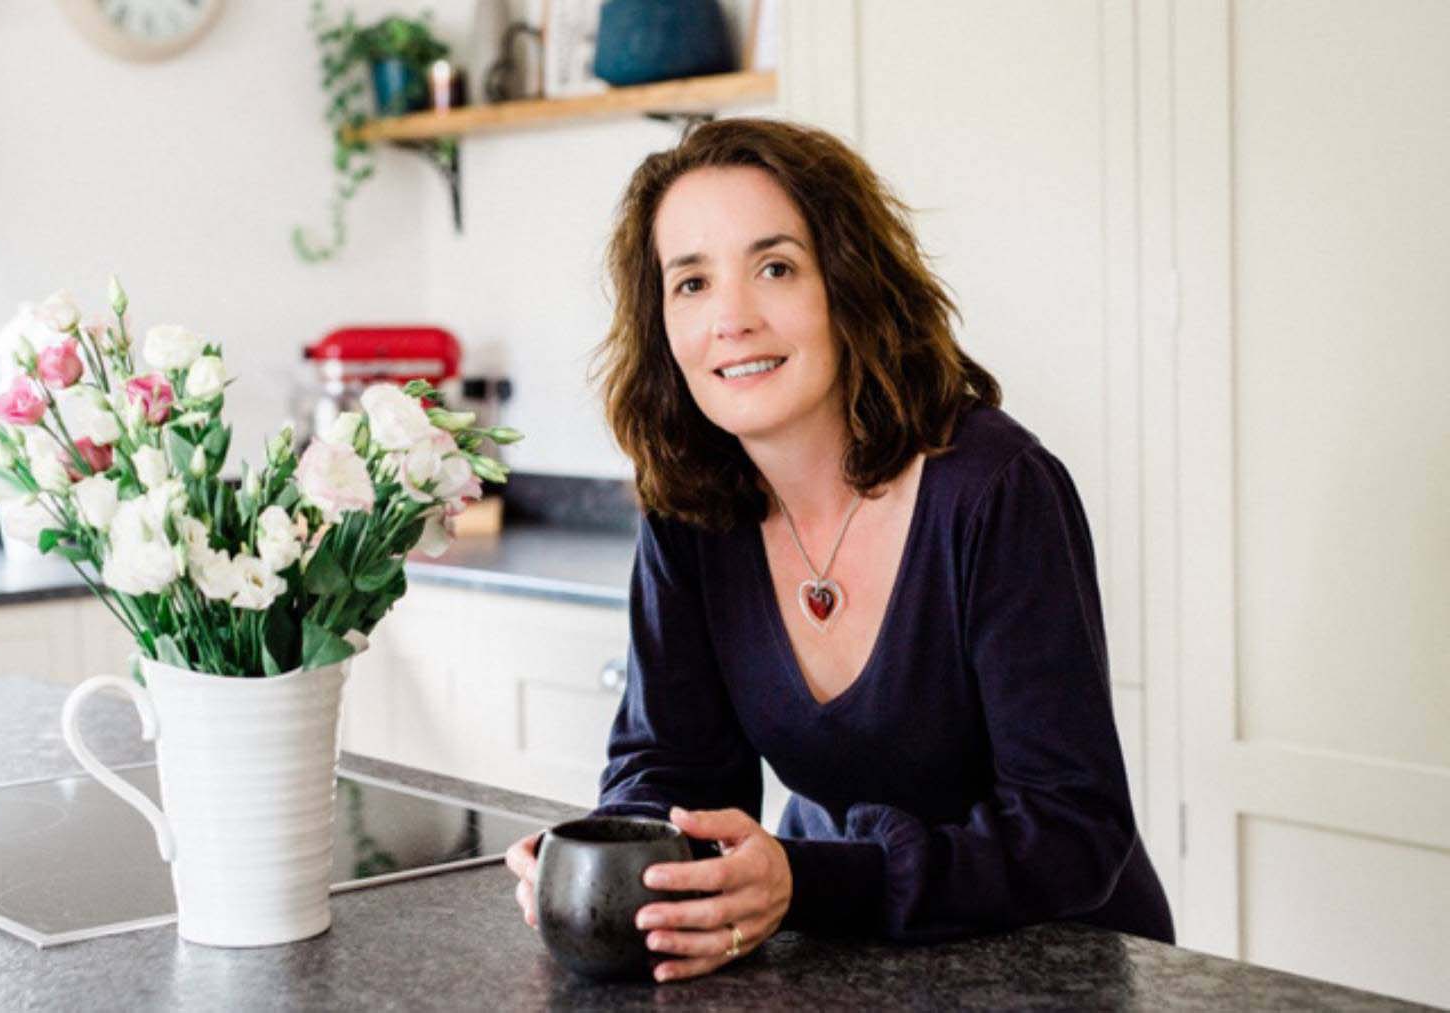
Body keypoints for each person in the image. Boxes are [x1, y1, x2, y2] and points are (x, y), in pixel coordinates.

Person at [503, 117, 1173, 983]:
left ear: (849, 284)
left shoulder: (996, 491)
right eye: (692, 283)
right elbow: (672, 763)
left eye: (774, 267)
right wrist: (615, 859)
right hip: (837, 946)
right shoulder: (689, 508)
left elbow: (1072, 830)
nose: (732, 319)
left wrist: (810, 880)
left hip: (1053, 962)